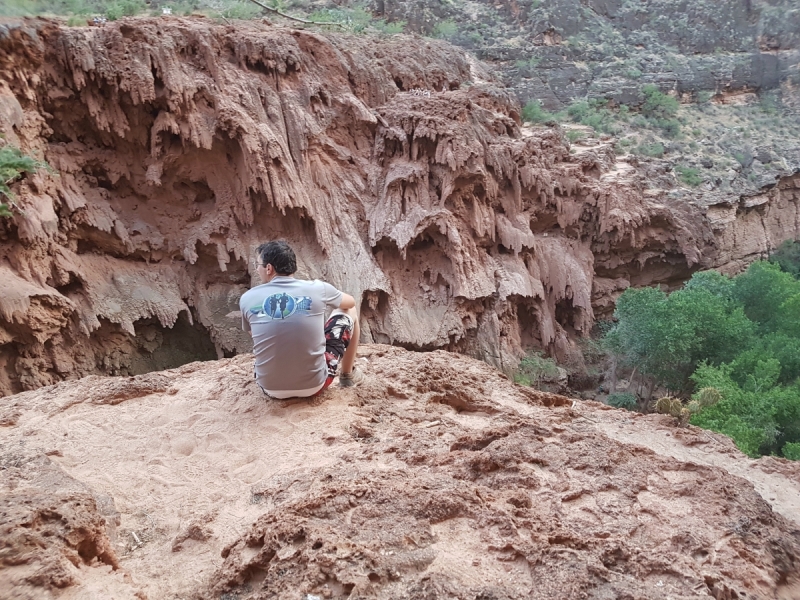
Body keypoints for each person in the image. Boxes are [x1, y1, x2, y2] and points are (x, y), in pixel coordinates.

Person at [240, 240, 363, 399]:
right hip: (314, 385)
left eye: (258, 265)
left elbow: (254, 334)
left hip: (270, 388)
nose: (257, 269)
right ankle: (347, 376)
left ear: (269, 268)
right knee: (350, 310)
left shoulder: (247, 298)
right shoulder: (318, 288)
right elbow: (350, 302)